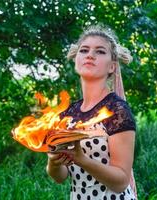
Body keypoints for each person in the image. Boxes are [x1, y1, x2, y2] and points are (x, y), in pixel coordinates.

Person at [46, 24, 137, 200]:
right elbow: (60, 177)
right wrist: (53, 161)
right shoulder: (68, 113)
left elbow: (121, 182)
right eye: (84, 50)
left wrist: (82, 159)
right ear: (76, 60)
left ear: (112, 66)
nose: (90, 55)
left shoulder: (116, 110)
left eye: (100, 51)